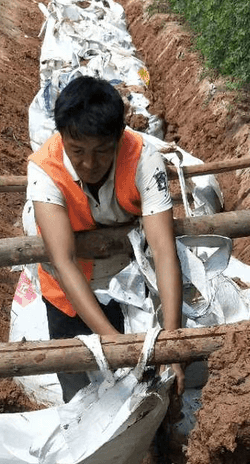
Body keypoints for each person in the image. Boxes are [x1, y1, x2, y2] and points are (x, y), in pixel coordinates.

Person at [28, 75, 185, 402]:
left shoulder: (143, 158)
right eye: (77, 151)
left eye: (101, 151)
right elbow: (63, 262)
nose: (89, 163)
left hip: (126, 278)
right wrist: (113, 341)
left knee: (146, 381)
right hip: (67, 288)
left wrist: (171, 345)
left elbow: (163, 250)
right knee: (77, 378)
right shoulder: (45, 168)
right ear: (61, 138)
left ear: (119, 137)